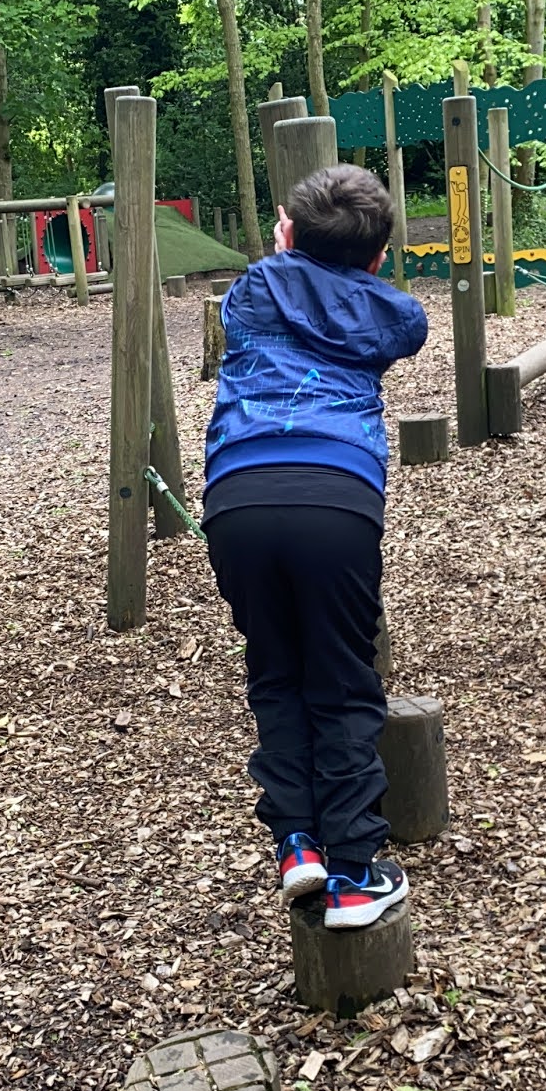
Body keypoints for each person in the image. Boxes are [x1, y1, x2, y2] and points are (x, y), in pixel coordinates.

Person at [202, 164, 429, 930]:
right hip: (334, 498)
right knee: (340, 675)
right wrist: (333, 257)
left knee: (275, 670)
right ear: (375, 256)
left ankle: (297, 842)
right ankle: (356, 873)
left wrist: (286, 249)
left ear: (288, 233)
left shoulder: (255, 288)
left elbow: (280, 282)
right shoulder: (389, 314)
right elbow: (404, 319)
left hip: (237, 498)